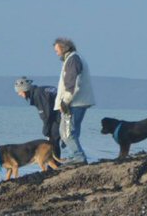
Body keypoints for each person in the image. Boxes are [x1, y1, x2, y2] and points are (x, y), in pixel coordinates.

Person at [53, 37, 95, 165]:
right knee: (72, 130)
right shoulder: (74, 58)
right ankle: (74, 155)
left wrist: (65, 101)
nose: (56, 53)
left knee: (66, 132)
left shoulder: (72, 60)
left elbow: (71, 83)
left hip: (73, 102)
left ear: (64, 48)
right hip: (79, 102)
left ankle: (78, 156)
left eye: (57, 50)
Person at [14, 76, 61, 159]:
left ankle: (55, 163)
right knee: (56, 138)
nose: (19, 94)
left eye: (19, 91)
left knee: (53, 139)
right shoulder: (39, 91)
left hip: (60, 114)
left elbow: (46, 114)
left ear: (25, 90)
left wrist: (46, 129)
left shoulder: (38, 95)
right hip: (59, 113)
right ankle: (55, 163)